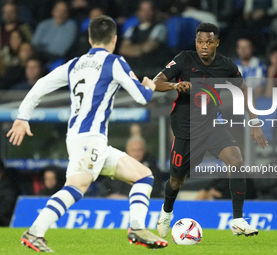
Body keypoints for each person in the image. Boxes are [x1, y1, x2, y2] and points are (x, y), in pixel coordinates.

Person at [7, 15, 167, 252]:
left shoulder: (74, 64)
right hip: (89, 138)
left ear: (90, 38)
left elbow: (41, 84)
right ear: (114, 39)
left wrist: (22, 117)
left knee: (143, 175)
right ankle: (34, 232)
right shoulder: (114, 62)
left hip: (82, 138)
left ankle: (136, 227)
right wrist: (150, 86)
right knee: (77, 186)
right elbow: (142, 97)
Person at [153, 23, 268, 238]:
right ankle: (166, 212)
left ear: (217, 43)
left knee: (236, 161)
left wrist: (255, 122)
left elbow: (243, 89)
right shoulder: (184, 59)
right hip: (186, 129)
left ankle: (238, 220)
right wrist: (174, 86)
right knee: (176, 180)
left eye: (208, 42)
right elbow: (156, 82)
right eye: (199, 41)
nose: (203, 46)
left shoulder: (226, 66)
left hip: (212, 126)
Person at [119, 0, 167, 78]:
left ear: (154, 11)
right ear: (138, 12)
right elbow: (123, 49)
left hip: (153, 71)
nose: (146, 13)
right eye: (143, 10)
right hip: (135, 71)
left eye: (149, 10)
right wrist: (140, 49)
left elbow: (148, 47)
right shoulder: (132, 29)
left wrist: (131, 49)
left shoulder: (159, 28)